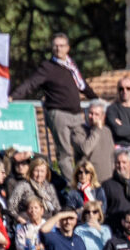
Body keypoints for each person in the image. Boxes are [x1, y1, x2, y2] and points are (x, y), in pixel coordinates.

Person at [10, 34, 97, 183]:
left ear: (68, 48)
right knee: (64, 153)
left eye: (62, 45)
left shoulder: (71, 66)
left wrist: (96, 99)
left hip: (76, 114)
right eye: (56, 46)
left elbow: (82, 85)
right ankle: (73, 185)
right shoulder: (48, 67)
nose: (58, 49)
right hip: (58, 114)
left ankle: (86, 182)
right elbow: (31, 83)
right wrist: (13, 96)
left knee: (83, 149)